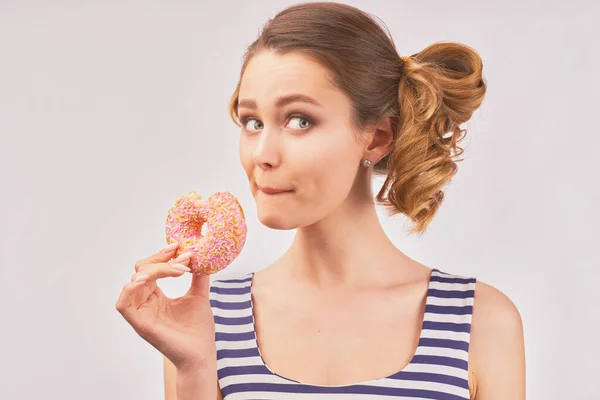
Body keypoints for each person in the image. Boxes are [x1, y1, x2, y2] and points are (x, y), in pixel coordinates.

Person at [116, 2, 526, 399]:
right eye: (252, 122)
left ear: (379, 136)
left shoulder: (479, 324)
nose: (262, 154)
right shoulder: (205, 319)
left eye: (299, 120)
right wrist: (194, 368)